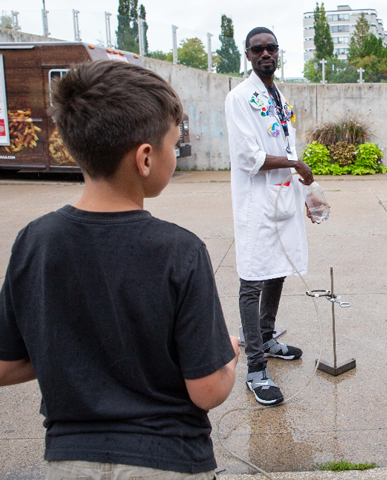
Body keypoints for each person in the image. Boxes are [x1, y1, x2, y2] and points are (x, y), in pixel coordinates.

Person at [0, 61, 240, 479]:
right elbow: (207, 391)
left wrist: (74, 350)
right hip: (169, 458)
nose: (175, 153)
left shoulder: (34, 241)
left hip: (67, 461)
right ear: (145, 158)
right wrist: (230, 357)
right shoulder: (181, 251)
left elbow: (5, 365)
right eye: (174, 144)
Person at [225, 27, 317, 406]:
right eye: (257, 49)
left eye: (271, 48)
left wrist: (306, 196)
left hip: (283, 200)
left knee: (278, 269)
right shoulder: (239, 98)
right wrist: (295, 164)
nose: (265, 54)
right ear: (247, 55)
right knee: (252, 280)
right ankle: (255, 368)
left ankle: (266, 338)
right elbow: (248, 156)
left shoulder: (279, 97)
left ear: (278, 53)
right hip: (256, 204)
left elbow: (286, 146)